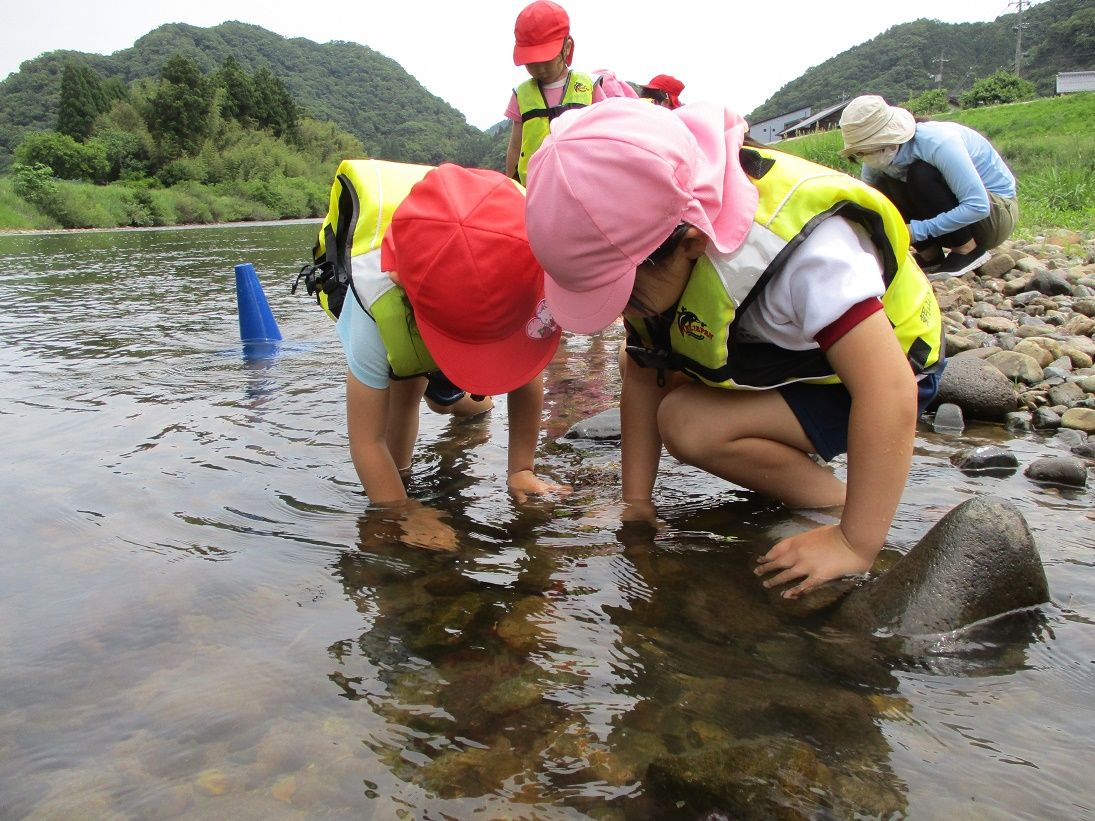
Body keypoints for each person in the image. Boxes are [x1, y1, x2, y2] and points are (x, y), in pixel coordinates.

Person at [523, 98, 945, 597]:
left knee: (686, 422)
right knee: (648, 363)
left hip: (882, 375)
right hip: (788, 359)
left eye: (625, 294)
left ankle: (833, 502)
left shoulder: (808, 254)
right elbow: (641, 367)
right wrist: (636, 504)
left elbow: (887, 388)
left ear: (690, 244)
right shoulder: (656, 236)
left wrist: (856, 542)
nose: (622, 313)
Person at [297, 160, 564, 546]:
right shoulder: (372, 307)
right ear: (403, 285)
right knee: (405, 390)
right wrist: (399, 508)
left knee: (450, 402)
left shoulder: (517, 266)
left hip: (434, 324)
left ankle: (475, 405)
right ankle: (405, 470)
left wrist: (520, 468)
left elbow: (526, 375)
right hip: (403, 336)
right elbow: (366, 441)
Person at [838, 94, 1018, 279]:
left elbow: (978, 206)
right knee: (882, 188)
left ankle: (966, 249)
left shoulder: (937, 142)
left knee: (921, 173)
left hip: (994, 217)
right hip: (953, 220)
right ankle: (930, 255)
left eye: (867, 149)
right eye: (860, 152)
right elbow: (867, 198)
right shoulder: (878, 155)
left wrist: (914, 231)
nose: (865, 156)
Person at [504, 0, 636, 184]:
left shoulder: (588, 85)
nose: (539, 68)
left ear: (566, 47)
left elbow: (607, 131)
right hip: (535, 187)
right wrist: (510, 182)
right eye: (531, 62)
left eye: (545, 59)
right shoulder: (521, 94)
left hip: (581, 184)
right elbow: (515, 146)